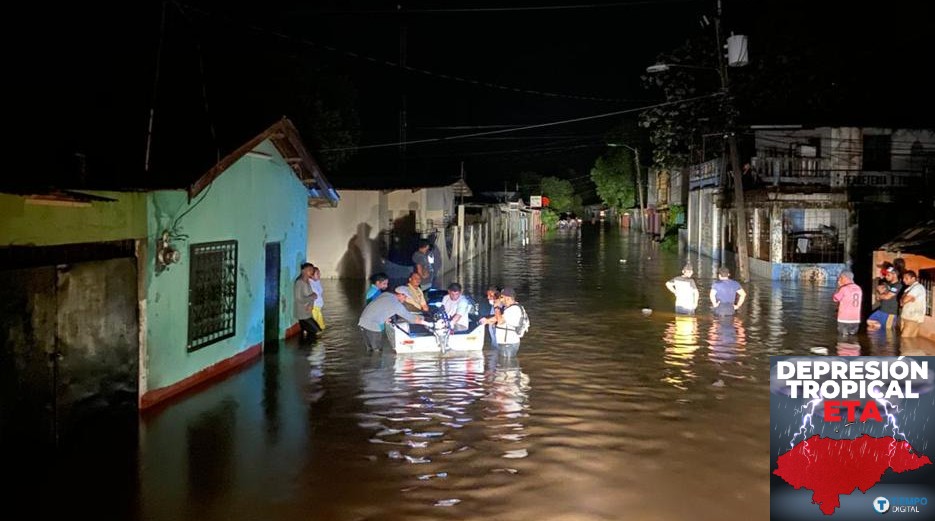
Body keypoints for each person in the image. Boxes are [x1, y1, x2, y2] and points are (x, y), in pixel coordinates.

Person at [357, 287, 425, 352]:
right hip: (373, 326)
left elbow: (379, 306)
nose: (405, 299)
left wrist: (385, 317)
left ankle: (369, 362)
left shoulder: (386, 294)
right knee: (377, 351)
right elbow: (412, 320)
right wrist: (426, 322)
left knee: (370, 349)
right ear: (401, 294)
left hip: (362, 322)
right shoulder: (397, 305)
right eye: (405, 297)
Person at [494, 287, 529, 358]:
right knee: (506, 366)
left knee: (507, 366)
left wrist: (496, 307)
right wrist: (487, 320)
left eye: (502, 297)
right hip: (509, 343)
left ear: (508, 298)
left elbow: (500, 321)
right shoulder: (513, 308)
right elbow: (502, 319)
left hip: (508, 344)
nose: (500, 300)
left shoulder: (513, 309)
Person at [866, 265, 901, 332]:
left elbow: (888, 296)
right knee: (869, 321)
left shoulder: (898, 285)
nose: (886, 276)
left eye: (888, 275)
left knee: (888, 332)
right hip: (882, 310)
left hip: (890, 313)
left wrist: (881, 295)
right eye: (885, 275)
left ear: (894, 275)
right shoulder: (888, 285)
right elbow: (878, 298)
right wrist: (879, 292)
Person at [293, 262, 319, 343]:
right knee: (315, 331)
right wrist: (312, 297)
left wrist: (311, 304)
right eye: (309, 270)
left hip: (308, 313)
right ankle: (307, 348)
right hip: (302, 313)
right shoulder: (299, 283)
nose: (311, 272)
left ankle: (306, 347)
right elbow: (298, 299)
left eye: (312, 270)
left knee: (315, 331)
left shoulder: (307, 282)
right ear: (304, 271)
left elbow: (312, 295)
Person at [832, 270, 862, 337]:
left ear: (845, 277)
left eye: (841, 278)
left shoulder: (844, 289)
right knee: (853, 338)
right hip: (856, 319)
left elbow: (835, 299)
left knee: (843, 339)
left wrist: (839, 287)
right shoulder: (858, 288)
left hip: (844, 319)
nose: (839, 279)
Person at [899, 270, 926, 338]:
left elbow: (904, 300)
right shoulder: (908, 288)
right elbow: (901, 302)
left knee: (905, 339)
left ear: (913, 278)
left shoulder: (918, 287)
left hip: (913, 318)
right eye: (903, 278)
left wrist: (904, 298)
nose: (903, 280)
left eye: (906, 278)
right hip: (906, 316)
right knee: (906, 341)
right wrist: (905, 298)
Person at [309, 266, 326, 332]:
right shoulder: (310, 283)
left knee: (321, 327)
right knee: (315, 327)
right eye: (317, 273)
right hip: (314, 308)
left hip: (318, 308)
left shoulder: (317, 282)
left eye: (319, 273)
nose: (320, 275)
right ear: (311, 275)